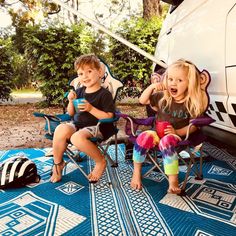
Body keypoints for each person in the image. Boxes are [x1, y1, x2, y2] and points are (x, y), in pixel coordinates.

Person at [131, 59, 208, 194]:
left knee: (166, 142)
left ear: (190, 83)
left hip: (176, 136)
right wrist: (152, 87)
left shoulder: (191, 102)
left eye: (179, 80)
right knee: (143, 137)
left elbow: (194, 126)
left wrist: (176, 131)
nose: (173, 83)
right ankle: (136, 173)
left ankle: (173, 180)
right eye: (170, 79)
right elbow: (142, 100)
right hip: (157, 133)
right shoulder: (163, 97)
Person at [50, 54, 116, 183]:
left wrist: (91, 109)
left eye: (89, 71)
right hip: (78, 125)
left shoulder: (104, 94)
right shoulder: (79, 91)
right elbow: (71, 113)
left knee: (76, 137)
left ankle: (100, 161)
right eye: (80, 73)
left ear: (100, 72)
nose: (84, 76)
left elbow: (110, 116)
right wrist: (71, 101)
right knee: (61, 128)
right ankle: (58, 164)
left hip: (98, 127)